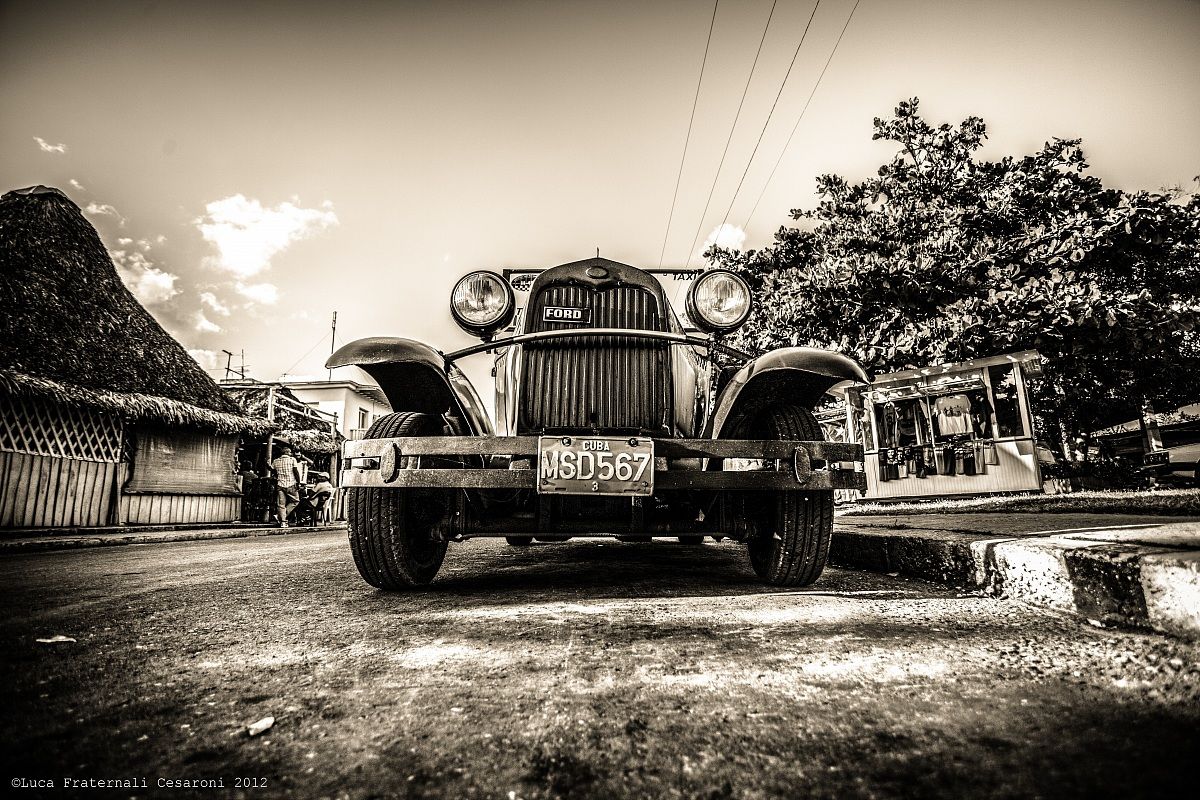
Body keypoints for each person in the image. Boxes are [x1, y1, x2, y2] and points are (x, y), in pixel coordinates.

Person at [271, 444, 302, 527]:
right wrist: (298, 482)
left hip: (280, 484)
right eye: (290, 452)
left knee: (281, 504)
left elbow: (272, 470)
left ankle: (283, 522)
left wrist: (267, 464)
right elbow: (295, 472)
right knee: (295, 501)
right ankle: (280, 516)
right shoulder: (292, 460)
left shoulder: (276, 461)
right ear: (288, 453)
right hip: (291, 484)